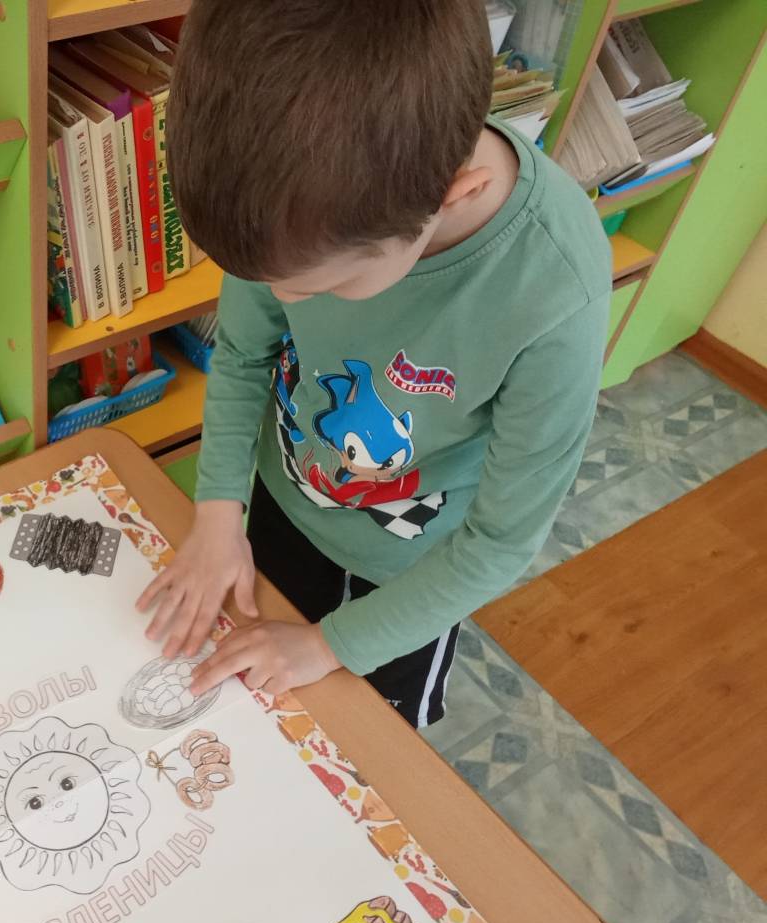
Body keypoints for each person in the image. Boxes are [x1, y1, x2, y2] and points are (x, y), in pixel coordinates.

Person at [137, 0, 610, 728]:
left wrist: (329, 646)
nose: (284, 299)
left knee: (372, 740)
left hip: (410, 572)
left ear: (455, 194)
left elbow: (501, 542)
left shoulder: (554, 289)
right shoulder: (290, 191)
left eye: (322, 285)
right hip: (284, 503)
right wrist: (218, 512)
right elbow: (244, 353)